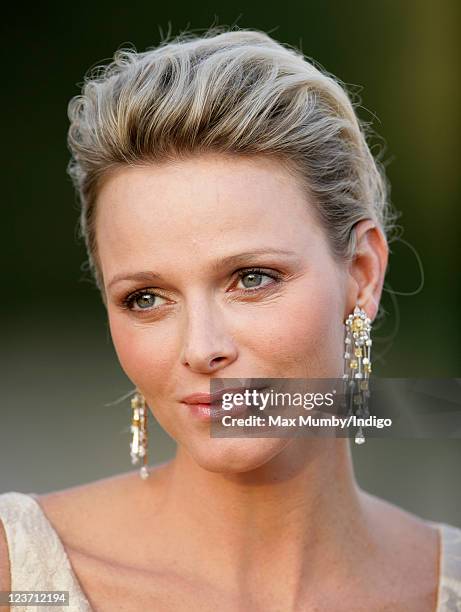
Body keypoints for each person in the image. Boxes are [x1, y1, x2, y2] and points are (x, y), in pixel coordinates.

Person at [1, 27, 460, 612]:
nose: (201, 347)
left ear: (363, 273)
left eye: (251, 278)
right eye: (146, 297)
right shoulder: (18, 577)